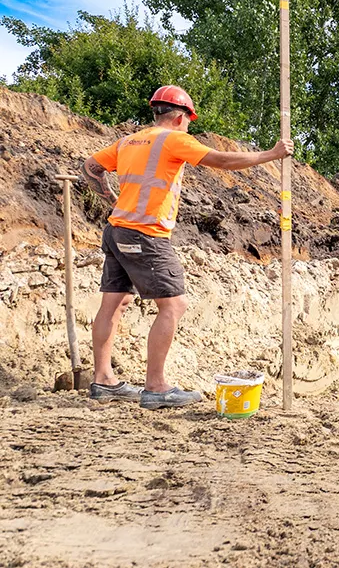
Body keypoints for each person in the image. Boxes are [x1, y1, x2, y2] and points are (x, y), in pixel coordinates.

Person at [81, 85, 293, 410]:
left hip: (117, 230)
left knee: (114, 303)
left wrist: (112, 200)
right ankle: (156, 387)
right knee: (174, 306)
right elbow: (221, 160)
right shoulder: (174, 139)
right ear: (181, 118)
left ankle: (103, 380)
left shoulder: (129, 141)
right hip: (146, 234)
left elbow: (90, 168)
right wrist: (270, 155)